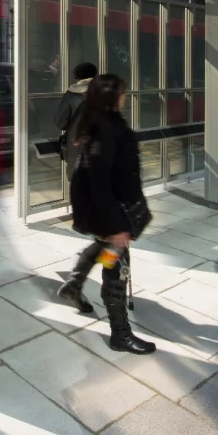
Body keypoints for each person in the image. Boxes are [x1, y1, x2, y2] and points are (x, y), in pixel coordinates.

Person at [58, 74, 156, 355]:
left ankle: (74, 286)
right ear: (112, 97)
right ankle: (120, 335)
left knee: (105, 249)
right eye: (122, 92)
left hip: (108, 211)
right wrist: (116, 226)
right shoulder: (105, 130)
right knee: (116, 272)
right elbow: (98, 184)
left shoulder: (100, 122)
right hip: (111, 213)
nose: (125, 96)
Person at [54, 62, 98, 180]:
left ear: (77, 78)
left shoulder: (71, 95)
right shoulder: (105, 94)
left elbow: (60, 123)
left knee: (79, 187)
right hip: (101, 149)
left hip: (76, 150)